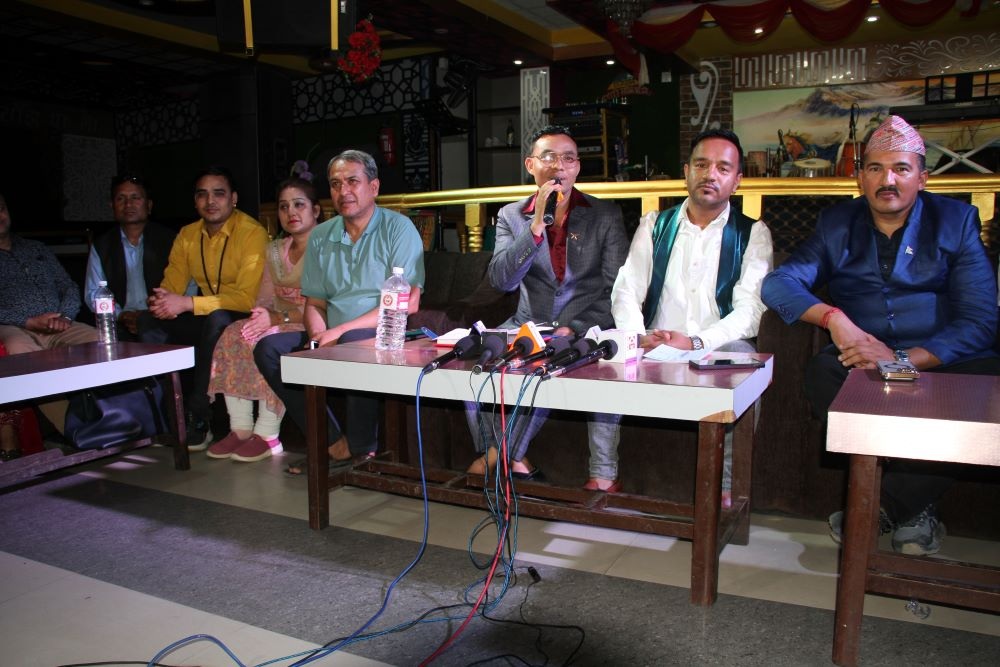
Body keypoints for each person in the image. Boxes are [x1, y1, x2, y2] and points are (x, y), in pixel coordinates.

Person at [761, 115, 1000, 556]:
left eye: (901, 168)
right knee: (822, 372)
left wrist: (904, 359)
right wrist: (836, 320)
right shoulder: (837, 224)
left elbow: (981, 320)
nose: (887, 180)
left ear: (922, 178)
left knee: (990, 380)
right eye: (875, 168)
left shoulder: (956, 220)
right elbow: (778, 284)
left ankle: (886, 505)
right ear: (861, 178)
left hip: (942, 358)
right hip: (864, 358)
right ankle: (917, 507)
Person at [611, 129, 773, 501]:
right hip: (654, 344)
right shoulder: (655, 225)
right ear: (686, 172)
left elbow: (750, 310)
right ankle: (602, 475)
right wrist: (637, 336)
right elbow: (626, 289)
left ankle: (727, 488)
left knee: (746, 358)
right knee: (611, 349)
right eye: (701, 164)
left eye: (722, 168)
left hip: (716, 346)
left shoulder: (752, 233)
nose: (710, 174)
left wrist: (697, 342)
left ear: (737, 180)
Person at [464, 125, 629, 487]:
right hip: (528, 323)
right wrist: (536, 226)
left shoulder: (605, 215)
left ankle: (497, 455)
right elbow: (502, 281)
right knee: (474, 364)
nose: (559, 166)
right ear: (531, 165)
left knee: (549, 362)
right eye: (549, 157)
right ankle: (512, 457)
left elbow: (616, 290)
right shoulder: (511, 215)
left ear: (577, 167)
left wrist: (577, 326)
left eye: (568, 158)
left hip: (585, 325)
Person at [253, 150, 424, 476]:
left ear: (373, 187)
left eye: (352, 181)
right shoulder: (321, 235)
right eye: (335, 184)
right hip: (330, 330)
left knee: (354, 344)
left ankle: (363, 449)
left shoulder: (398, 229)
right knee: (269, 350)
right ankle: (332, 444)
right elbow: (315, 302)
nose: (343, 191)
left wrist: (338, 333)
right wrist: (318, 336)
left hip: (382, 330)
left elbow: (409, 302)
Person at [138, 166, 268, 450]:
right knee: (149, 322)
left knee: (218, 318)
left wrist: (187, 303)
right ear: (195, 201)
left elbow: (247, 298)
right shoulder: (187, 234)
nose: (210, 201)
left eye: (218, 193)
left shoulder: (252, 233)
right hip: (207, 315)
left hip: (246, 316)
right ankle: (168, 414)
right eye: (202, 194)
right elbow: (172, 282)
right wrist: (161, 303)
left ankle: (199, 415)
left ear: (233, 198)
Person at [204, 178, 320, 463]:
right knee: (236, 332)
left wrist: (275, 318)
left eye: (299, 205)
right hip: (277, 319)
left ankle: (268, 433)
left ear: (316, 210)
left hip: (312, 321)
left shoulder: (326, 248)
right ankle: (240, 428)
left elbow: (321, 304)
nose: (291, 212)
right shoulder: (274, 250)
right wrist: (259, 315)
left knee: (268, 341)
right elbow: (265, 296)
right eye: (284, 207)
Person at [0, 192, 100, 433]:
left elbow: (68, 286)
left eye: (1, 208)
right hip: (13, 326)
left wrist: (65, 316)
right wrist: (27, 321)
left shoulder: (36, 248)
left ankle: (119, 417)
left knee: (102, 342)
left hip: (58, 322)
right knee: (25, 359)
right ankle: (75, 431)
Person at [84, 175, 176, 340]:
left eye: (135, 198)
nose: (128, 204)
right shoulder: (102, 245)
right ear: (112, 206)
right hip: (119, 323)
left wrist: (152, 314)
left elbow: (187, 287)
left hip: (163, 319)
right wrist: (121, 315)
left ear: (149, 205)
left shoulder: (171, 240)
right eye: (121, 199)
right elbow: (94, 293)